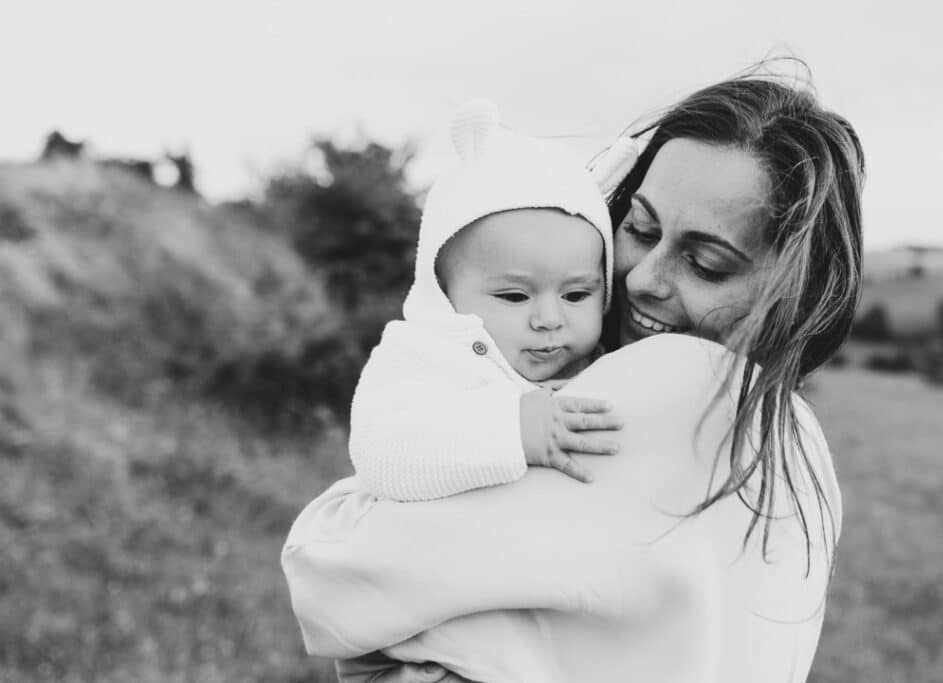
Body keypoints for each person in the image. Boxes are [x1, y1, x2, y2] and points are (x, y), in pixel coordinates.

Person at [282, 70, 865, 683]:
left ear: (794, 295)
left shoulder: (672, 391)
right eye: (639, 228)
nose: (642, 279)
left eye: (706, 263)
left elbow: (328, 582)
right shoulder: (799, 449)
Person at [348, 99, 638, 502]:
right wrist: (513, 429)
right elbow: (380, 453)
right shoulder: (426, 356)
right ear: (443, 292)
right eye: (515, 296)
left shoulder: (609, 364)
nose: (549, 319)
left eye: (576, 294)